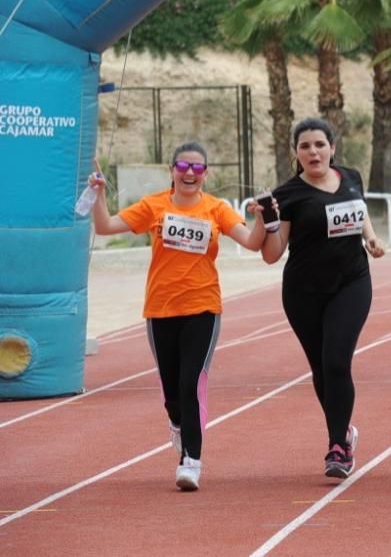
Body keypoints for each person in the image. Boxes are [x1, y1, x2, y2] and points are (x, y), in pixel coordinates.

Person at [88, 142, 268, 491]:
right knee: (172, 392)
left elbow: (250, 242)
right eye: (183, 166)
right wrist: (98, 194)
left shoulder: (216, 209)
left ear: (206, 174)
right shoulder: (154, 205)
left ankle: (191, 461)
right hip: (160, 309)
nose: (190, 173)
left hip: (203, 308)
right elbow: (106, 226)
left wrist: (262, 218)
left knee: (191, 384)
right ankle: (177, 422)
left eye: (198, 168)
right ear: (172, 170)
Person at [260, 118, 386, 479]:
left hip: (352, 282)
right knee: (321, 369)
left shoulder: (351, 177)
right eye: (305, 146)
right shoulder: (287, 195)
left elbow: (360, 213)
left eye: (319, 144)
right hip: (303, 291)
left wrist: (371, 239)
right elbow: (272, 254)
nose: (313, 152)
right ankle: (342, 429)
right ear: (295, 153)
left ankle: (337, 447)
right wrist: (265, 223)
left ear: (332, 147)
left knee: (336, 362)